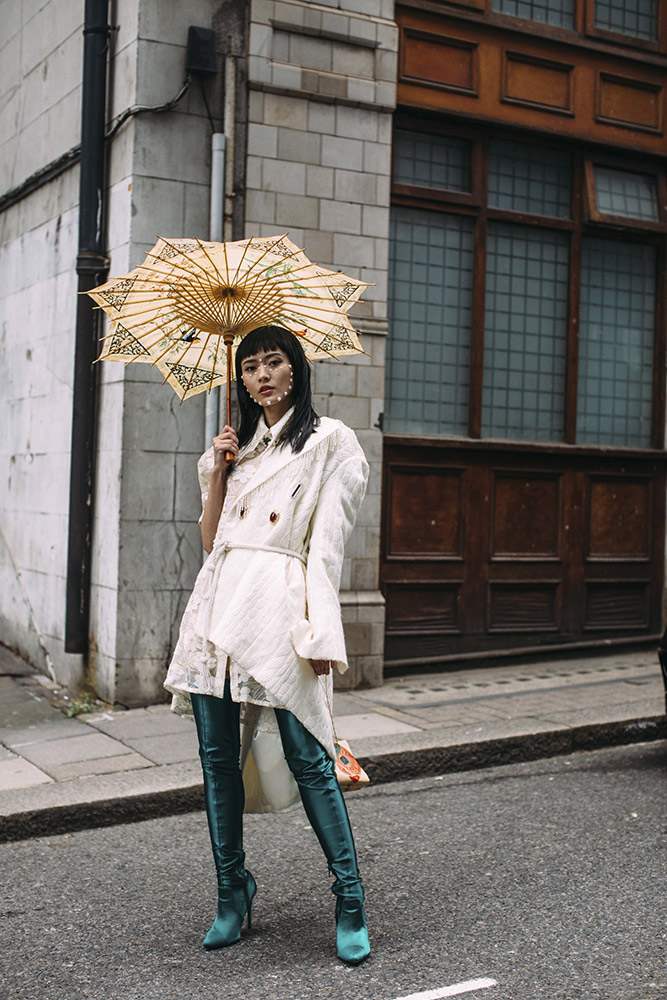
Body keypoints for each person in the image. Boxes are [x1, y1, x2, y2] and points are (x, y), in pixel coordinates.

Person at [164, 325, 371, 964]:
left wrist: (320, 630)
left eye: (273, 362)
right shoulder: (230, 451)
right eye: (250, 366)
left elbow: (328, 549)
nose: (261, 375)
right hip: (218, 606)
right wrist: (222, 470)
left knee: (310, 759)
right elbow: (209, 539)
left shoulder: (330, 443)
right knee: (217, 759)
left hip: (281, 606)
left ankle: (351, 898)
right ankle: (233, 894)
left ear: (295, 370)